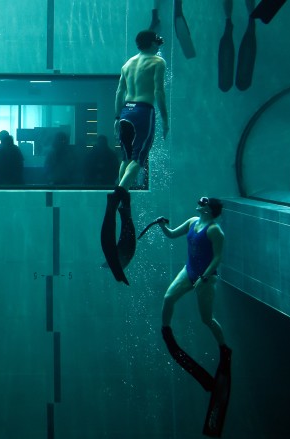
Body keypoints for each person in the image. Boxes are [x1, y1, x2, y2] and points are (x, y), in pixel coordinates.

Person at [101, 30, 169, 285]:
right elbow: (159, 92)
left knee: (126, 156)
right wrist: (165, 118)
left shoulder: (127, 63)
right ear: (152, 43)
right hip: (143, 110)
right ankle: (120, 192)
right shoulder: (157, 62)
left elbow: (119, 92)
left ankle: (119, 192)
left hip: (127, 111)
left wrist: (117, 117)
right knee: (139, 159)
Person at [156, 197, 231, 391]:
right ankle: (167, 332)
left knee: (206, 319)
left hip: (206, 277)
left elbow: (218, 258)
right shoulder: (192, 222)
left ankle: (224, 348)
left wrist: (204, 278)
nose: (199, 202)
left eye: (203, 201)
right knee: (168, 298)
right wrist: (163, 226)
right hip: (189, 271)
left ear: (209, 209)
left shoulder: (215, 231)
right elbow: (172, 234)